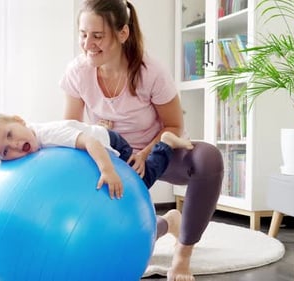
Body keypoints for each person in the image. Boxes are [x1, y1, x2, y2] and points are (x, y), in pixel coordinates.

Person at [59, 0, 224, 280]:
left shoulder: (150, 71)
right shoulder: (78, 71)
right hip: (114, 156)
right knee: (115, 245)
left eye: (98, 36)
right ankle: (167, 223)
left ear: (123, 34)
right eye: (83, 34)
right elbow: (71, 128)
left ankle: (182, 256)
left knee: (207, 159)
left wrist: (147, 153)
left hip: (159, 151)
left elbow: (174, 124)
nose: (88, 44)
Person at [0, 113, 193, 198]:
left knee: (138, 184)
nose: (15, 145)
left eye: (10, 134)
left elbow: (91, 142)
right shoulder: (28, 150)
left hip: (111, 145)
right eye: (5, 152)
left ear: (19, 120)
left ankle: (165, 143)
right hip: (91, 141)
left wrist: (108, 170)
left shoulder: (50, 135)